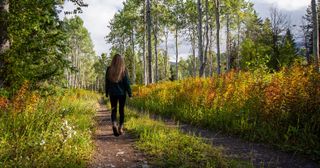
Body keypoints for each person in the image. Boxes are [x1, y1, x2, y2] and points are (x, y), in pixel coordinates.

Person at [105, 54, 132, 137]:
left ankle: (114, 124)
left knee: (113, 110)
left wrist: (106, 92)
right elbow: (127, 83)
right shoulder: (123, 70)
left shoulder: (109, 69)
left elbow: (107, 82)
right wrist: (130, 94)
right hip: (122, 94)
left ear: (113, 60)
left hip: (112, 94)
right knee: (121, 110)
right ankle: (120, 127)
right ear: (121, 61)